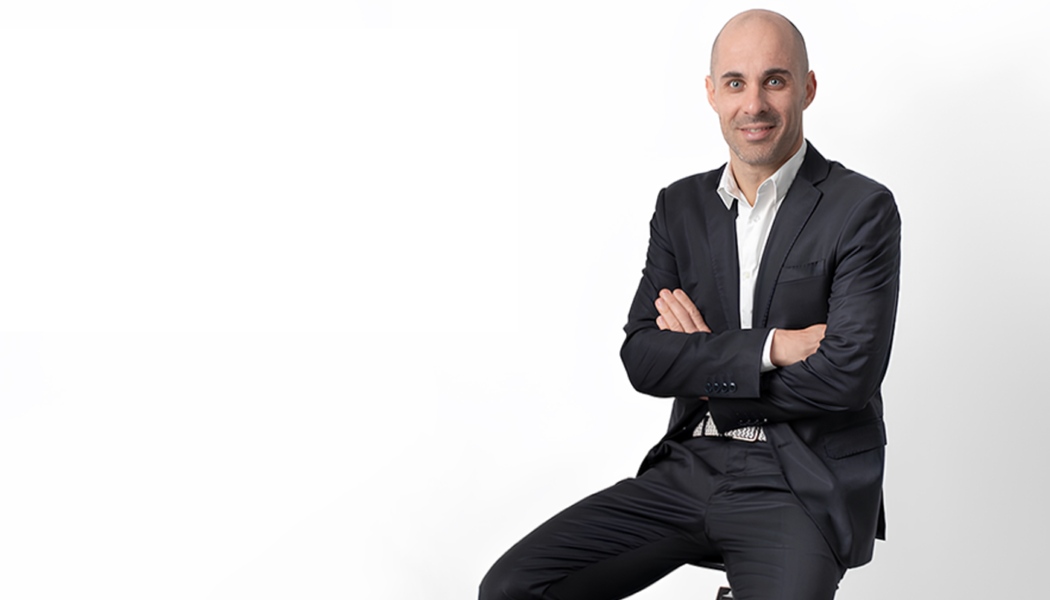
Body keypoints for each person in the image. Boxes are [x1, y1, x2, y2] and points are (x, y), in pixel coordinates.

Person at [479, 9, 900, 600]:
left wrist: (707, 371)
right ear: (711, 93)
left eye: (774, 81)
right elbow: (643, 358)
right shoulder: (679, 207)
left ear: (807, 88)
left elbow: (847, 377)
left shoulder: (860, 208)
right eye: (735, 82)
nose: (753, 104)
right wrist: (773, 348)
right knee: (514, 588)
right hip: (690, 465)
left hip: (799, 482)